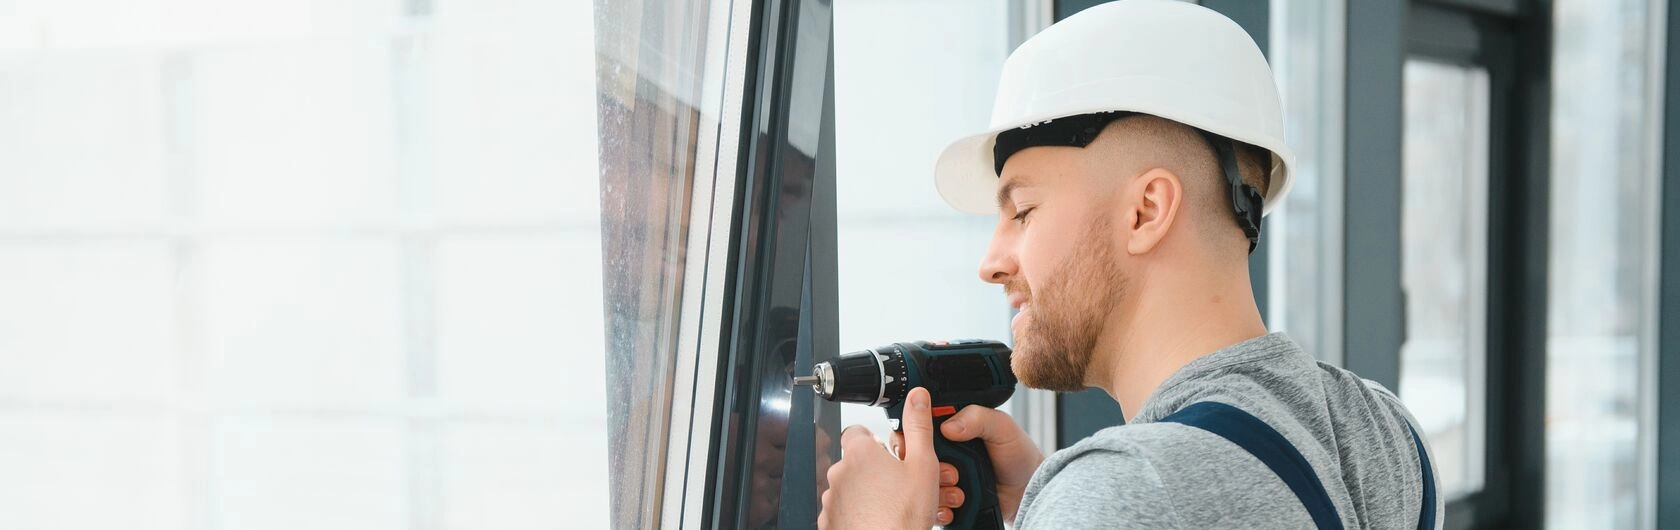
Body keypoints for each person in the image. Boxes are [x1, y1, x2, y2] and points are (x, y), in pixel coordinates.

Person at [817, 1, 1443, 528]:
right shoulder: (1387, 431)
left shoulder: (1121, 495)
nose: (991, 262)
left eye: (1024, 210)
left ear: (1146, 211)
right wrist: (1050, 495)